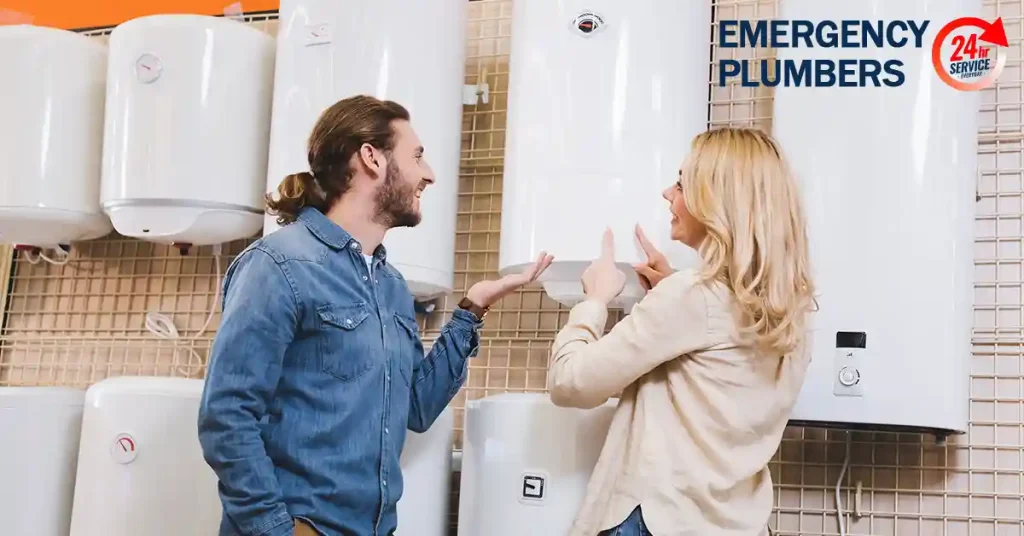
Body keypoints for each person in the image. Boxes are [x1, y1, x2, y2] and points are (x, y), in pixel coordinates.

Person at [197, 94, 553, 536]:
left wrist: (471, 309)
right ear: (371, 158)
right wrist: (275, 529)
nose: (429, 174)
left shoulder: (391, 285)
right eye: (417, 156)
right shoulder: (278, 265)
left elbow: (417, 409)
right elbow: (227, 416)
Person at [547, 127, 816, 536]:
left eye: (681, 182)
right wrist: (674, 286)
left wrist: (594, 301)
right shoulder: (791, 310)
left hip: (658, 520)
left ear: (716, 200)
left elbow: (570, 384)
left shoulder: (692, 297)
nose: (666, 193)